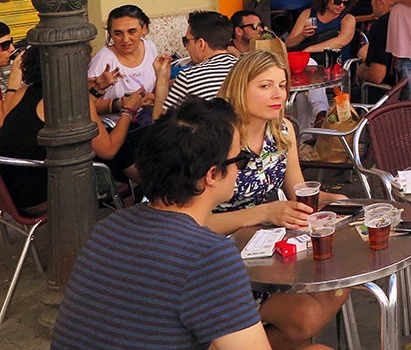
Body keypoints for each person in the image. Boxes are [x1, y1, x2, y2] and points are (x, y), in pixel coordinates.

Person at [51, 97, 334, 350]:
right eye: (241, 159)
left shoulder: (109, 227)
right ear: (212, 174)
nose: (240, 168)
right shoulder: (208, 254)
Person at [211, 52, 347, 349]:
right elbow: (194, 222)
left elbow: (298, 187)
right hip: (223, 261)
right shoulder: (218, 138)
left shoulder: (282, 129)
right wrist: (265, 212)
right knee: (306, 318)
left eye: (282, 85)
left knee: (339, 287)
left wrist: (334, 200)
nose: (278, 94)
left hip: (272, 250)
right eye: (265, 86)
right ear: (239, 88)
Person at [0, 44, 147, 216]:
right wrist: (128, 110)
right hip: (47, 197)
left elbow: (69, 113)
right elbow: (109, 150)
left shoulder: (23, 94)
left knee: (101, 138)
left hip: (14, 197)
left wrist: (98, 88)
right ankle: (147, 192)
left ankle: (142, 191)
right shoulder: (70, 99)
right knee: (111, 148)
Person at [87, 4, 170, 120]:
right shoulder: (104, 59)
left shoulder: (149, 47)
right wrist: (121, 104)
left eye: (132, 31)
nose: (125, 39)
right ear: (110, 34)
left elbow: (155, 84)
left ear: (144, 29)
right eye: (118, 33)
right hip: (113, 127)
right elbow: (86, 105)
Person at [154, 11, 238, 118]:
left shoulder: (189, 77)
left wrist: (162, 80)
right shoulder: (246, 68)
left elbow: (160, 123)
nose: (186, 47)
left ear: (201, 44)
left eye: (186, 41)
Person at [285, 0, 358, 58]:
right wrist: (302, 35)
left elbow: (341, 41)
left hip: (334, 61)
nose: (341, 6)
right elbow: (288, 44)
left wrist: (309, 49)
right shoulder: (307, 13)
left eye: (345, 2)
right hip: (308, 59)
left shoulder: (348, 19)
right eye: (337, 2)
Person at [360, 0, 402, 92]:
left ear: (380, 0)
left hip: (388, 95)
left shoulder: (382, 24)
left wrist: (361, 71)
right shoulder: (406, 19)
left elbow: (376, 77)